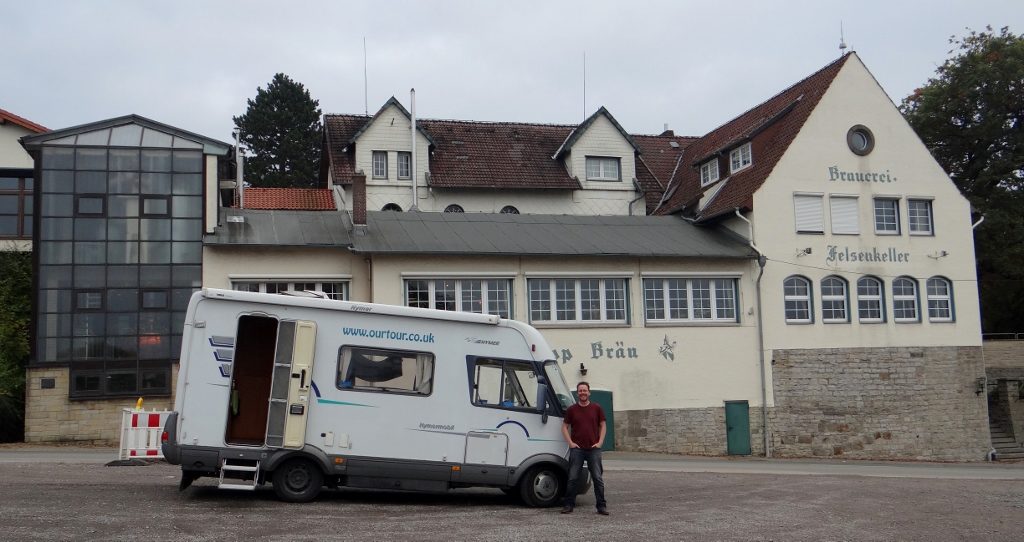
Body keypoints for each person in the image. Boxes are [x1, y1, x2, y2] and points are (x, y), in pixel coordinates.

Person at [560, 381, 608, 515]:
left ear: (589, 392)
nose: (582, 393)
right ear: (577, 393)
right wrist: (570, 443)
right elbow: (564, 427)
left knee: (597, 478)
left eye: (585, 390)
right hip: (577, 449)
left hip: (594, 449)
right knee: (572, 478)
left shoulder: (597, 408)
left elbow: (603, 425)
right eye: (580, 391)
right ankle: (568, 505)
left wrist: (600, 442)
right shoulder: (572, 410)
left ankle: (601, 506)